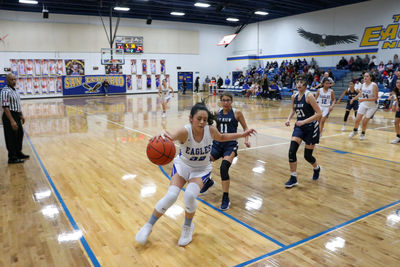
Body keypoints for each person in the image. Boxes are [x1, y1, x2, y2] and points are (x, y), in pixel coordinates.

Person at [135, 102, 256, 246]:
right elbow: (169, 135)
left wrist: (242, 134)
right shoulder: (184, 131)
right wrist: (161, 135)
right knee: (171, 195)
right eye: (199, 118)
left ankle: (187, 227)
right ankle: (148, 226)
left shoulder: (210, 130)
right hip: (183, 166)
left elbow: (222, 137)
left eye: (205, 119)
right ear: (191, 118)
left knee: (190, 195)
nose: (202, 122)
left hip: (201, 169)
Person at [200, 93, 251, 210]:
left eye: (228, 100)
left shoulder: (237, 113)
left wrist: (246, 140)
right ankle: (208, 181)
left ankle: (225, 197)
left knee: (224, 168)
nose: (226, 102)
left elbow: (245, 129)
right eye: (223, 100)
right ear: (220, 102)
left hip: (230, 145)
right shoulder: (218, 113)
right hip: (217, 144)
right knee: (204, 162)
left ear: (231, 101)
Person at [284, 75, 322, 188]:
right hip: (299, 127)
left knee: (307, 156)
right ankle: (293, 177)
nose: (299, 84)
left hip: (311, 128)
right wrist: (288, 119)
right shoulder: (294, 96)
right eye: (297, 82)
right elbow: (293, 109)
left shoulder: (309, 96)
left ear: (305, 84)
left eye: (301, 82)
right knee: (291, 151)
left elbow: (319, 113)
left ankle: (316, 168)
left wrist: (304, 121)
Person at [1, 74, 29, 164]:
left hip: (17, 114)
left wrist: (21, 115)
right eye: (11, 79)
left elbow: (17, 104)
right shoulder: (5, 91)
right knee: (11, 137)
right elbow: (5, 107)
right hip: (9, 115)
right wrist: (12, 120)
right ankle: (12, 157)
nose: (13, 81)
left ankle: (18, 152)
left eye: (14, 79)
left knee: (19, 134)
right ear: (7, 80)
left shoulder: (16, 90)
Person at [348, 72, 378, 140]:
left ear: (370, 77)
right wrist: (353, 99)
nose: (365, 77)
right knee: (357, 119)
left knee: (364, 121)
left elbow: (376, 98)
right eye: (364, 76)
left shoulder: (374, 85)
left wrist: (363, 99)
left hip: (372, 106)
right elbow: (361, 94)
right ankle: (355, 131)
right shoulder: (363, 84)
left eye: (367, 76)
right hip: (364, 104)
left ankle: (363, 133)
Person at [390, 79, 400, 144]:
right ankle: (398, 137)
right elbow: (396, 99)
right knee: (396, 123)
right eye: (397, 83)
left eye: (399, 83)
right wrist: (395, 105)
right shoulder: (395, 90)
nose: (398, 84)